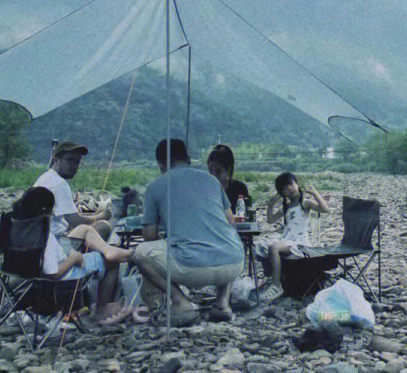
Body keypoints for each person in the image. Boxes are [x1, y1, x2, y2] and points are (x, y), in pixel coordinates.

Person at [133, 138, 243, 324]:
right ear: (188, 158)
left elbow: (148, 236)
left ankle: (181, 303)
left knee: (140, 253)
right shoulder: (211, 180)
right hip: (233, 264)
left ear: (161, 163)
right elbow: (231, 223)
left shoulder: (155, 186)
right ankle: (222, 302)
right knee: (229, 239)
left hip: (192, 269)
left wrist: (165, 236)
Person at [14, 186, 147, 325]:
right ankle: (102, 309)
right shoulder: (45, 237)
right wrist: (74, 258)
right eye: (51, 210)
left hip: (35, 269)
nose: (52, 213)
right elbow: (53, 274)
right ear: (44, 211)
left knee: (83, 230)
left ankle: (111, 250)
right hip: (65, 274)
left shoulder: (20, 230)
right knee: (110, 261)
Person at [34, 141, 131, 267]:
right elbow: (75, 221)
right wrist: (102, 215)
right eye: (70, 161)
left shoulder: (45, 178)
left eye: (77, 162)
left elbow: (66, 219)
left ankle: (102, 253)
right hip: (54, 245)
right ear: (56, 160)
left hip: (40, 242)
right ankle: (97, 261)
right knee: (103, 227)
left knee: (92, 228)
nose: (74, 166)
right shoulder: (59, 183)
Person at [255, 171, 329, 302]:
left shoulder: (304, 203)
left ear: (297, 184)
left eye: (290, 184)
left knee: (273, 248)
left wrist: (314, 193)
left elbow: (325, 209)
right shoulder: (287, 207)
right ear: (281, 193)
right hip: (287, 238)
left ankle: (276, 286)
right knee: (259, 244)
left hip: (300, 242)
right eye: (284, 188)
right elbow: (270, 220)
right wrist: (270, 206)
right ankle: (276, 276)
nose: (289, 189)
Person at [207, 144, 252, 213]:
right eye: (210, 170)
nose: (213, 175)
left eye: (218, 171)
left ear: (228, 170)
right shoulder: (205, 189)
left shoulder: (239, 189)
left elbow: (245, 216)